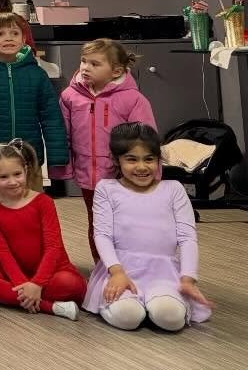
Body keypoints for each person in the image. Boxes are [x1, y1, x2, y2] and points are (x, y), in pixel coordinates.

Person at [84, 124, 212, 332]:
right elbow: (102, 234)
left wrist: (188, 278)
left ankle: (156, 304)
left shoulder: (174, 189)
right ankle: (134, 306)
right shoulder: (106, 189)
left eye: (149, 159)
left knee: (169, 318)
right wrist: (116, 272)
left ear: (158, 160)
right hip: (121, 270)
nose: (142, 167)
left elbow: (188, 237)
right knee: (128, 317)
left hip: (164, 273)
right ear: (117, 161)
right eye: (131, 159)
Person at [54, 38, 156, 262]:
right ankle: (104, 270)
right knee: (98, 224)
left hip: (122, 177)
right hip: (88, 177)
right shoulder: (69, 97)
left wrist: (151, 175)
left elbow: (146, 140)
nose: (85, 68)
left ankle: (135, 269)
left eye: (95, 64)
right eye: (83, 62)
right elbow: (64, 135)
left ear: (116, 70)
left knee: (127, 225)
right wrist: (64, 168)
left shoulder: (132, 99)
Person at [0, 140, 85, 319]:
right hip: (16, 274)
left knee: (71, 284)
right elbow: (1, 250)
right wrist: (23, 283)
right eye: (3, 177)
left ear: (26, 170)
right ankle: (51, 307)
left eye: (17, 174)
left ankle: (4, 297)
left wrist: (37, 284)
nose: (13, 182)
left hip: (53, 272)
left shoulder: (43, 202)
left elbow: (53, 248)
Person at [0, 12, 67, 169]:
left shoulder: (37, 74)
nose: (8, 38)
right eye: (0, 34)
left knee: (31, 194)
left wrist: (57, 155)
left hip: (29, 157)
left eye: (15, 33)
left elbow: (51, 117)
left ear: (23, 40)